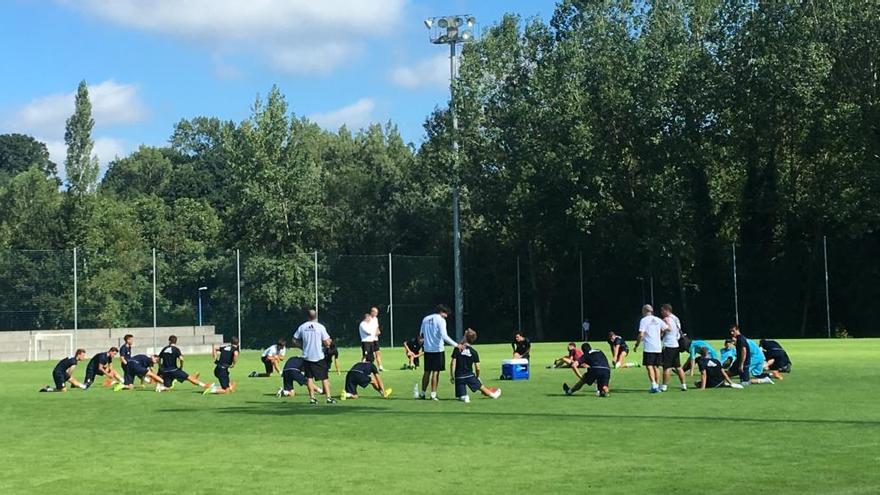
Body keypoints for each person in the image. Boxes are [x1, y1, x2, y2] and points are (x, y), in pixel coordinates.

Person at [417, 304, 461, 400]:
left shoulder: (425, 319)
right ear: (441, 312)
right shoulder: (441, 320)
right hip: (438, 349)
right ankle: (433, 394)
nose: (446, 316)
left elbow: (421, 335)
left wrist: (423, 342)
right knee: (435, 372)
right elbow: (444, 336)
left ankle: (422, 393)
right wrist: (456, 345)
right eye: (446, 314)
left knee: (427, 372)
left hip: (427, 349)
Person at [292, 309, 336, 404]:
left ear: (307, 316)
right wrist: (328, 343)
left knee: (309, 378)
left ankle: (312, 398)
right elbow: (327, 341)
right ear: (315, 316)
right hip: (319, 355)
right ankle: (328, 397)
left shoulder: (302, 327)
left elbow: (294, 340)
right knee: (324, 377)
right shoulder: (320, 327)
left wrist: (302, 347)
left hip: (307, 356)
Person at [450, 329, 500, 403]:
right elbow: (478, 367)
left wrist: (452, 376)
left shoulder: (457, 349)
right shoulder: (474, 352)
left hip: (459, 377)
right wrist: (477, 376)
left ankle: (465, 397)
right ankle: (493, 394)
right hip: (470, 376)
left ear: (465, 338)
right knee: (484, 390)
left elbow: (452, 363)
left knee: (461, 396)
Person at [633, 304, 668, 393]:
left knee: (649, 366)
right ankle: (657, 385)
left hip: (649, 346)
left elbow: (641, 334)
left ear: (644, 311)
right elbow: (667, 328)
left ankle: (653, 385)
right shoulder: (658, 319)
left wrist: (637, 344)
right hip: (658, 346)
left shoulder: (644, 320)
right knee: (656, 367)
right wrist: (660, 334)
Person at [659, 304, 687, 392]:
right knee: (678, 366)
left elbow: (666, 330)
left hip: (668, 344)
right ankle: (684, 385)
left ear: (667, 310)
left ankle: (664, 386)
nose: (661, 312)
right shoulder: (676, 318)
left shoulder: (666, 319)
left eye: (662, 310)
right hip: (676, 344)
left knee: (667, 367)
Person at [369, 306, 385, 371]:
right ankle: (369, 367)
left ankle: (380, 367)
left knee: (378, 352)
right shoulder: (368, 319)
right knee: (370, 354)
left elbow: (377, 326)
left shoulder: (376, 318)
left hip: (376, 339)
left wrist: (378, 331)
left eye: (377, 313)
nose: (376, 314)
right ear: (372, 312)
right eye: (375, 312)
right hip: (370, 339)